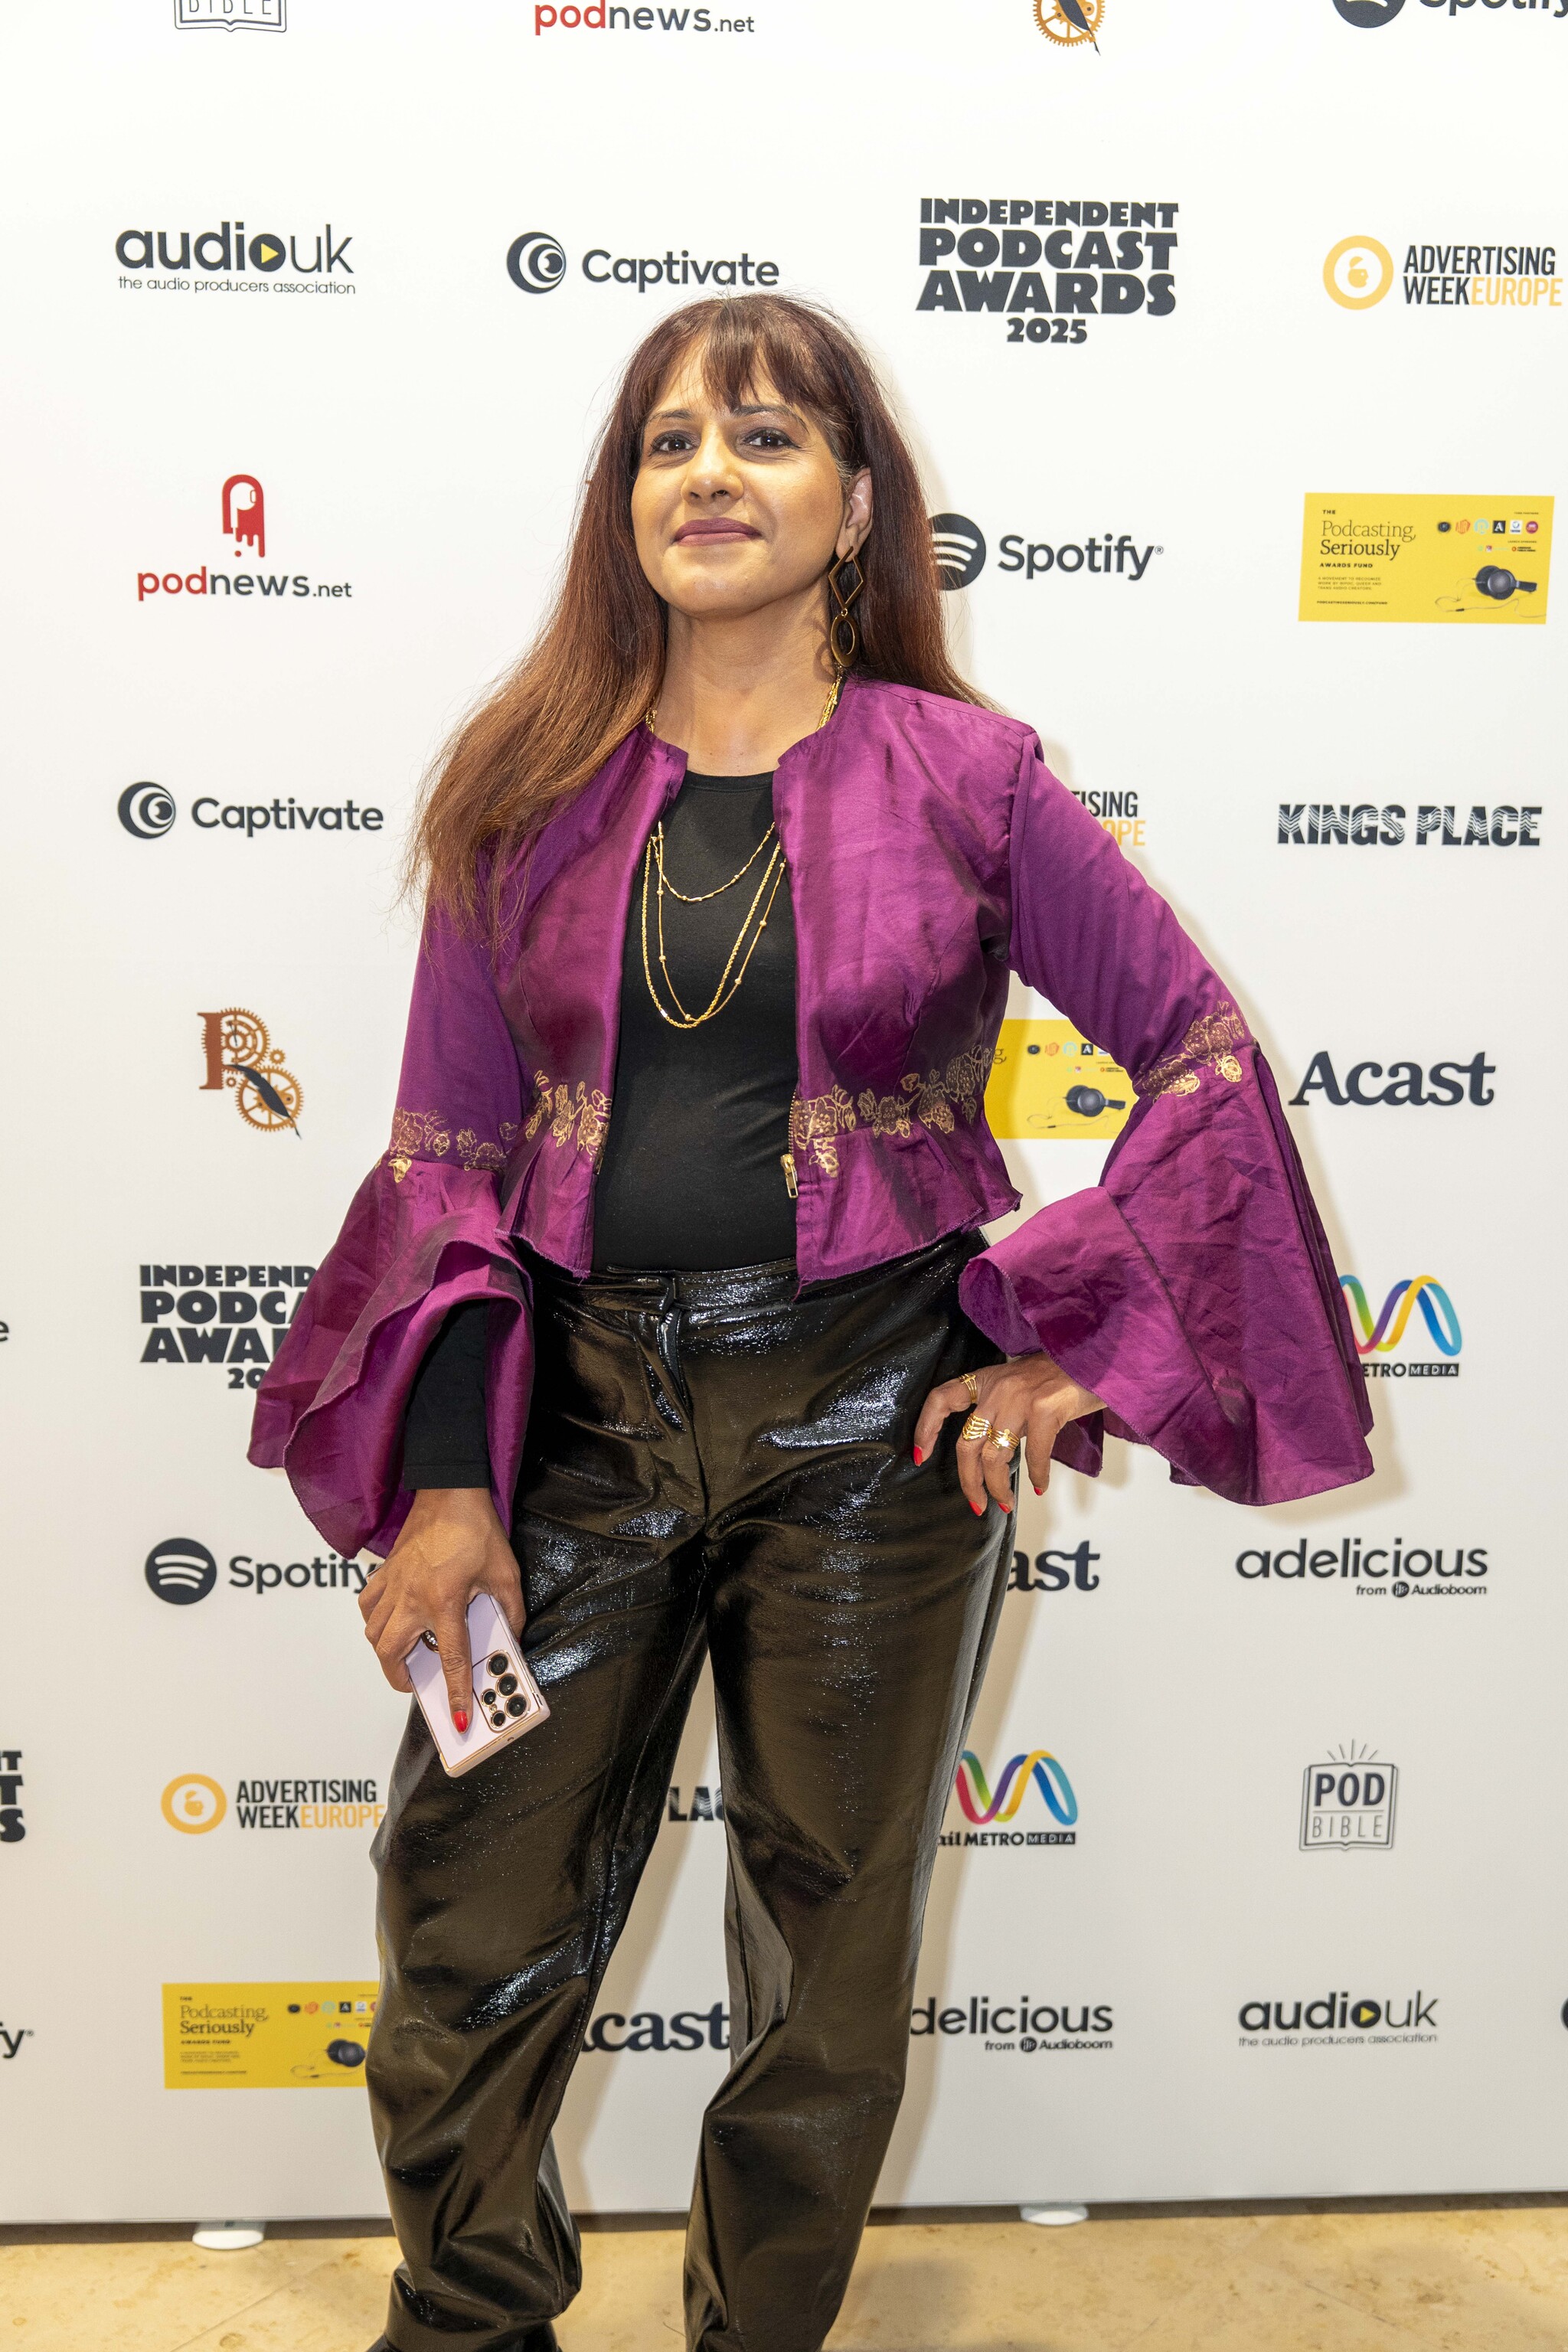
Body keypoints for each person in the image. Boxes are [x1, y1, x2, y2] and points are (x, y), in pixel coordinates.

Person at [250, 293, 1373, 2352]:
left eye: (766, 437)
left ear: (858, 504)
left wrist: (1079, 1349)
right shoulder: (517, 791)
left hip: (877, 1416)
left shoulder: (971, 776)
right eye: (670, 440)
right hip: (571, 1417)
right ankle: (470, 2321)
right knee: (463, 1914)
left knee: (829, 1951)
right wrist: (452, 1485)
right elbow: (449, 1165)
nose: (712, 474)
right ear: (623, 500)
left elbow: (1200, 1054)